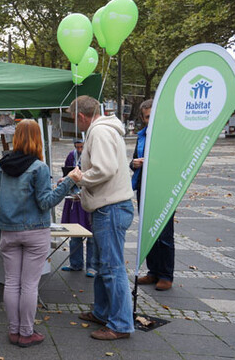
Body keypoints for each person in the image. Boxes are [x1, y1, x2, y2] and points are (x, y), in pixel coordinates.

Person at [0, 119, 82, 348]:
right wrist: (69, 181)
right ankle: (26, 332)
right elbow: (46, 203)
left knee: (12, 282)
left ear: (16, 137)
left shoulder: (0, 166)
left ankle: (14, 331)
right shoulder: (39, 168)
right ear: (37, 138)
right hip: (35, 232)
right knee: (29, 285)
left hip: (9, 231)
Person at [69, 95, 135, 340]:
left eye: (74, 120)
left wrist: (81, 179)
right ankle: (102, 311)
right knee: (103, 265)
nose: (74, 125)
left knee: (111, 268)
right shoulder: (102, 131)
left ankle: (120, 324)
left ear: (82, 116)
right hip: (108, 207)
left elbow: (104, 170)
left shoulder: (99, 132)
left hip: (111, 208)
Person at [131, 99, 175, 291]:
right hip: (144, 187)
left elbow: (174, 162)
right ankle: (153, 271)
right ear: (143, 118)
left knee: (164, 233)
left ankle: (166, 274)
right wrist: (134, 164)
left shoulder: (168, 136)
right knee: (148, 230)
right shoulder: (142, 136)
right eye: (148, 116)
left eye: (153, 115)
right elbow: (132, 161)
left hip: (164, 188)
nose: (151, 119)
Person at [60, 139, 95, 277]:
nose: (79, 149)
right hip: (74, 199)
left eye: (82, 147)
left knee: (91, 234)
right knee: (75, 233)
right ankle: (75, 263)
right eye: (77, 147)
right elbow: (67, 175)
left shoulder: (92, 156)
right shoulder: (71, 156)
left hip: (88, 198)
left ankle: (92, 266)